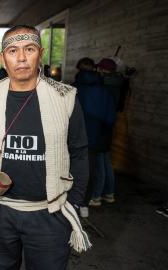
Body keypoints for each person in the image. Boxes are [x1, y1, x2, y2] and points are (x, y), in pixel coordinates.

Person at [0, 25, 91, 270]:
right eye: (13, 50)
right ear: (2, 58)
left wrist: (74, 203)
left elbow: (79, 152)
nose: (22, 57)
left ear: (41, 53)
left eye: (29, 49)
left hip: (49, 214)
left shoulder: (65, 98)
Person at [73, 57, 116, 209]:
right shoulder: (106, 91)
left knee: (78, 169)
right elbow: (111, 117)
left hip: (77, 136)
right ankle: (99, 196)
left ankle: (82, 199)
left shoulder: (74, 90)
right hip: (99, 133)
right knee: (99, 166)